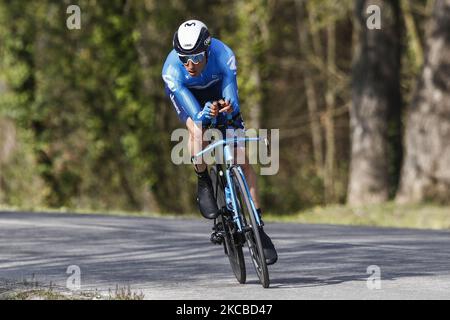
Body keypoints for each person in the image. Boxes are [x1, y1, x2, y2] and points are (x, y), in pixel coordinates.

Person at [162, 19, 277, 265]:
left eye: (195, 57)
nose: (189, 65)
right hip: (189, 98)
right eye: (183, 58)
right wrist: (201, 116)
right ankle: (203, 179)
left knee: (242, 161)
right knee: (197, 131)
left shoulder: (224, 54)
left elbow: (230, 93)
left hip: (218, 93)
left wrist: (228, 106)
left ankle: (258, 227)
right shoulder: (171, 70)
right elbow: (192, 111)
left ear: (208, 49)